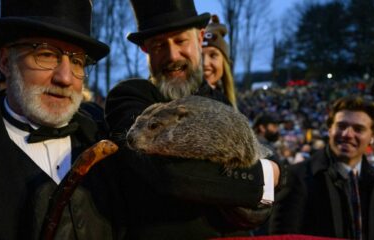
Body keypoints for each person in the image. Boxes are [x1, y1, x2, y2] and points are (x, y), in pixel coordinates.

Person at [102, 0, 280, 239]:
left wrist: (266, 179)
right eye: (158, 45)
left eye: (180, 40)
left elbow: (265, 175)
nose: (172, 55)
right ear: (145, 50)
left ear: (199, 38)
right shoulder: (131, 97)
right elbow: (172, 176)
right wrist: (268, 177)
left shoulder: (219, 101)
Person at [0, 0, 114, 239]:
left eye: (77, 62)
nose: (65, 78)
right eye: (47, 54)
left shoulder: (107, 137)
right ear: (6, 62)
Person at [269, 96, 374, 239]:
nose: (347, 134)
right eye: (341, 126)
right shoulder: (296, 176)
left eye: (358, 129)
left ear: (373, 137)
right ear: (330, 129)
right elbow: (283, 236)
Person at [202, 14, 238, 110]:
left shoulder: (227, 102)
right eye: (200, 56)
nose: (205, 63)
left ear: (224, 62)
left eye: (213, 55)